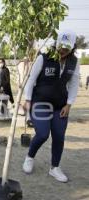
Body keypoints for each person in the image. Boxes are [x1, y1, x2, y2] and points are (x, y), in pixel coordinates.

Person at [22, 30, 80, 183]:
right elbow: (31, 80)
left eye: (67, 48)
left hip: (60, 105)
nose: (63, 50)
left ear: (73, 47)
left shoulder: (74, 62)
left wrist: (69, 104)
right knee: (42, 134)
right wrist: (28, 100)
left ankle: (55, 167)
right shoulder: (44, 58)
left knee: (59, 136)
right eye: (61, 46)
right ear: (56, 44)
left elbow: (74, 84)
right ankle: (29, 157)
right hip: (40, 103)